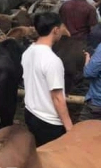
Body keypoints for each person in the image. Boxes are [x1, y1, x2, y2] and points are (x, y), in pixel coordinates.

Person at [21, 12, 73, 146]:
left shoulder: (28, 51)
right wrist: (69, 128)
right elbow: (57, 97)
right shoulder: (52, 61)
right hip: (49, 121)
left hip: (30, 112)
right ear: (55, 30)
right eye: (61, 28)